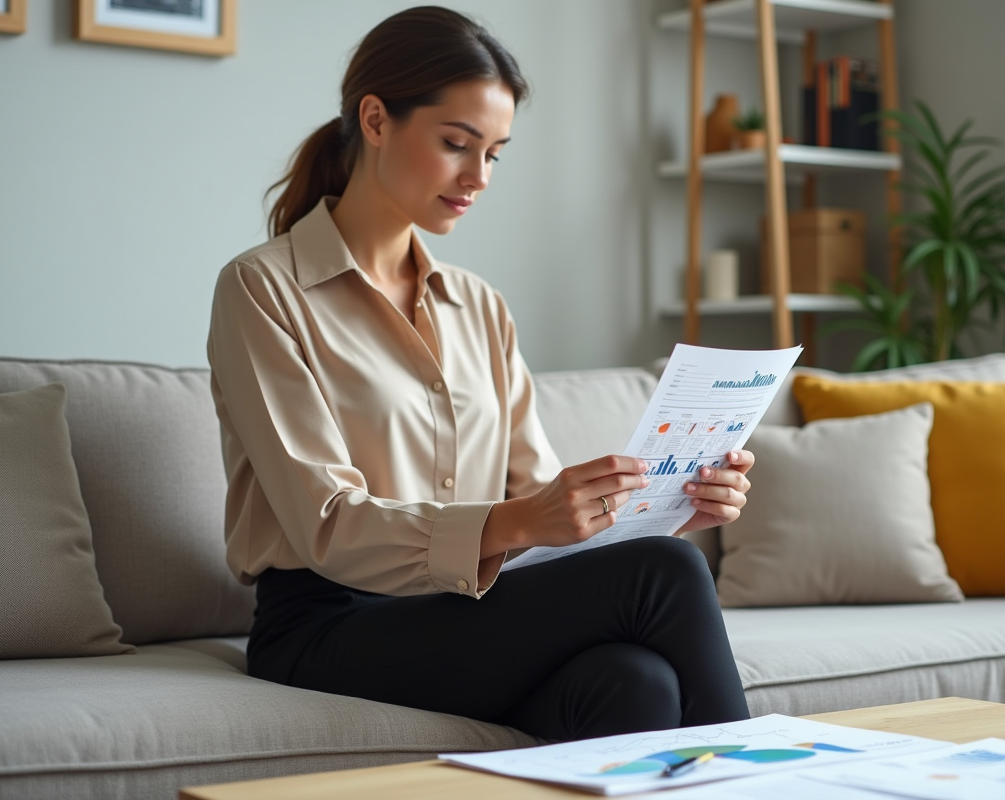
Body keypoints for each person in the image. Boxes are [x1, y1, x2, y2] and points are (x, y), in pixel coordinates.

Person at [206, 6, 754, 742]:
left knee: (634, 681)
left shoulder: (480, 307)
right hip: (326, 625)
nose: (479, 177)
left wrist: (672, 508)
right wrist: (520, 520)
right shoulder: (263, 289)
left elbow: (542, 506)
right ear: (375, 120)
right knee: (668, 574)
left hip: (457, 611)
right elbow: (325, 524)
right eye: (457, 145)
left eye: (495, 153)